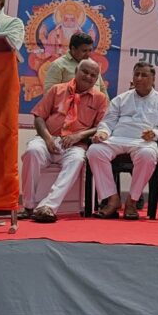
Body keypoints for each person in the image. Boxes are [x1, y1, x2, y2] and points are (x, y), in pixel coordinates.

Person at [21, 60, 108, 223]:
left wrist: (79, 135)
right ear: (76, 71)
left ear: (97, 79)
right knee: (32, 151)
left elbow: (102, 126)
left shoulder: (100, 98)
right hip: (48, 140)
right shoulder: (57, 90)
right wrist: (47, 138)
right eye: (85, 72)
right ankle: (28, 206)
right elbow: (39, 116)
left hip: (75, 145)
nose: (88, 77)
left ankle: (48, 207)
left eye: (93, 75)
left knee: (77, 160)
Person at [88, 62, 158, 220]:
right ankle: (112, 199)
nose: (139, 78)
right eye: (137, 74)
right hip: (117, 139)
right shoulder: (121, 99)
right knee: (94, 151)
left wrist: (155, 133)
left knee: (148, 155)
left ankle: (132, 201)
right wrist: (103, 133)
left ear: (153, 79)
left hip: (143, 142)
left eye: (144, 75)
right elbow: (108, 122)